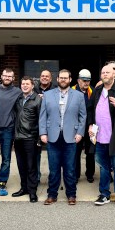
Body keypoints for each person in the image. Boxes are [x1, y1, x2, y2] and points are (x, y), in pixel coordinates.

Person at [39, 69, 87, 205]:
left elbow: (83, 116)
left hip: (71, 137)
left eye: (66, 78)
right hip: (52, 137)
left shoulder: (78, 96)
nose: (63, 80)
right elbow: (43, 116)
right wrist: (43, 132)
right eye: (61, 78)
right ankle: (52, 194)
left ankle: (71, 195)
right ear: (57, 79)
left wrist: (80, 133)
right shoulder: (47, 95)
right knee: (53, 169)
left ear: (70, 79)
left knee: (70, 168)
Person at [88, 64, 115, 209]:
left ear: (114, 74)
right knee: (103, 168)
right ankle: (104, 194)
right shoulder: (97, 90)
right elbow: (90, 110)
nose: (105, 74)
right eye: (103, 72)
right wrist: (90, 125)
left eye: (107, 72)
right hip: (100, 138)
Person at [0, 68, 22, 196]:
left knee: (6, 158)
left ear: (13, 78)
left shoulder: (17, 92)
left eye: (10, 76)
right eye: (5, 76)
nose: (7, 78)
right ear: (1, 76)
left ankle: (2, 182)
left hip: (8, 129)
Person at [13, 76, 43, 202]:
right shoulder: (18, 98)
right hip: (18, 138)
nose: (24, 86)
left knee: (31, 167)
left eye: (27, 84)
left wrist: (39, 138)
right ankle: (24, 188)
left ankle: (32, 192)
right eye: (23, 84)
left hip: (31, 138)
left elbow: (41, 119)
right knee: (21, 165)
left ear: (32, 86)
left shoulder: (38, 99)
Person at [73, 69, 95, 182]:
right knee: (75, 152)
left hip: (90, 126)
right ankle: (76, 175)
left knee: (90, 152)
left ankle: (90, 174)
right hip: (76, 127)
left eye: (88, 80)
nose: (86, 83)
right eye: (84, 80)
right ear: (78, 80)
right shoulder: (71, 91)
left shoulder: (93, 92)